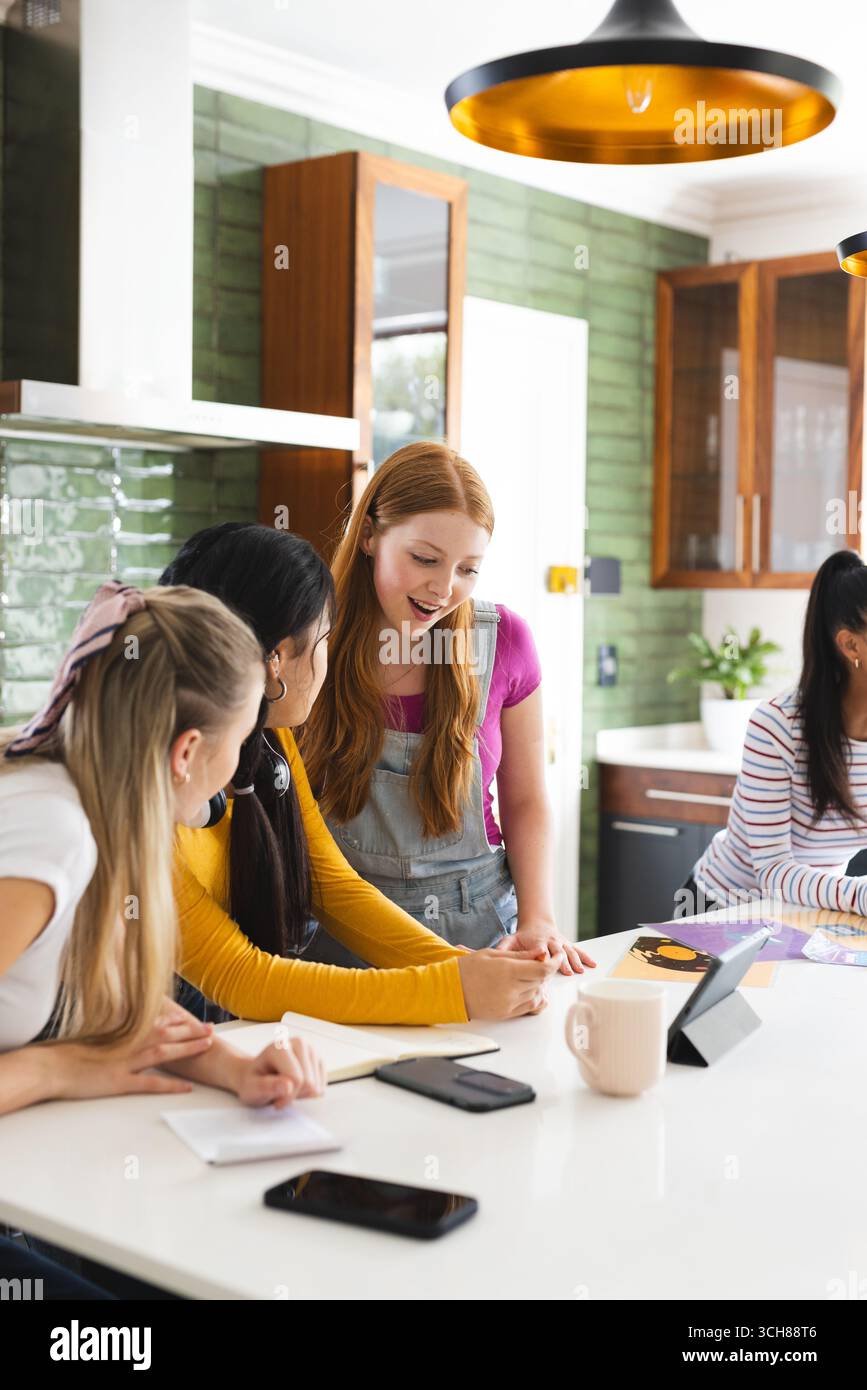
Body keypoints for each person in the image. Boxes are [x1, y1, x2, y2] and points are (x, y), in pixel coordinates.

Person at [0, 581, 326, 1296]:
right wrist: (56, 1072)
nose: (239, 770)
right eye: (239, 745)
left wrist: (236, 1068)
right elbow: (73, 1054)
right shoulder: (50, 838)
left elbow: (118, 1014)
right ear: (186, 751)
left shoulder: (85, 804)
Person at [160, 524, 560, 1025]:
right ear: (277, 659)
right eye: (325, 640)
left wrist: (470, 970)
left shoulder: (269, 737)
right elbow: (243, 978)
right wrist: (453, 989)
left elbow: (330, 884)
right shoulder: (145, 797)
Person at [300, 442, 595, 973]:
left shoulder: (505, 641)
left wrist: (539, 918)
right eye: (425, 559)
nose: (444, 588)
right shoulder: (311, 636)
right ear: (368, 535)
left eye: (468, 569)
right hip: (340, 935)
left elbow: (526, 799)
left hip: (479, 930)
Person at [675, 549, 867, 919]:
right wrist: (860, 894)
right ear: (850, 645)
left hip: (812, 910)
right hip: (723, 909)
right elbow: (774, 873)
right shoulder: (779, 726)